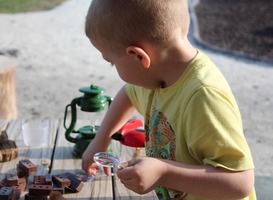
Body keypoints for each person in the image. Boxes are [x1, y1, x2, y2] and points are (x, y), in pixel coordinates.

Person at [81, 0, 256, 199]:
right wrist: (101, 139)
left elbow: (240, 183)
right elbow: (128, 93)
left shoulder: (203, 96)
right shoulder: (156, 77)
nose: (114, 68)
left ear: (138, 56)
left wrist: (164, 172)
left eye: (112, 62)